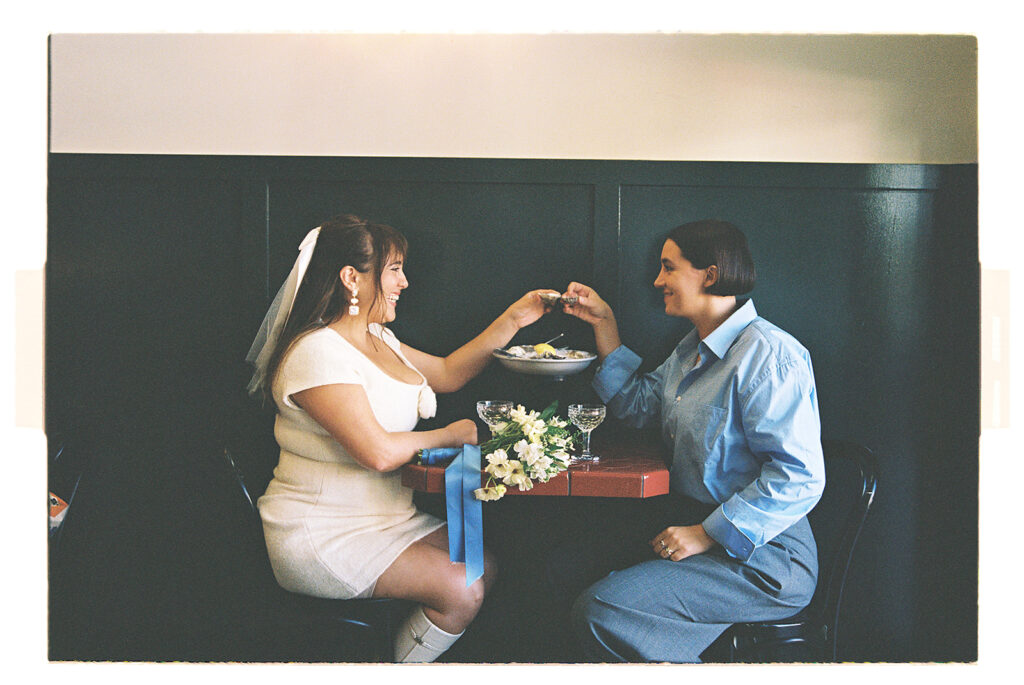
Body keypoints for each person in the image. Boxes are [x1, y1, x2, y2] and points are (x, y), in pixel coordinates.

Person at [246, 214, 553, 663]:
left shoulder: (378, 337)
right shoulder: (316, 352)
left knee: (481, 562)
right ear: (352, 277)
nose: (404, 282)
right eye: (394, 269)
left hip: (386, 519)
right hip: (323, 533)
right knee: (460, 588)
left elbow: (448, 373)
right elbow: (377, 452)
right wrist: (449, 433)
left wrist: (515, 319)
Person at [550, 219, 826, 663]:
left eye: (668, 268)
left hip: (764, 559)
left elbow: (800, 478)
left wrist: (706, 534)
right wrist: (604, 322)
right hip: (688, 529)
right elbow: (638, 406)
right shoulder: (690, 348)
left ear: (710, 275)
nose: (657, 281)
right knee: (563, 566)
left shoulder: (770, 357)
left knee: (603, 613)